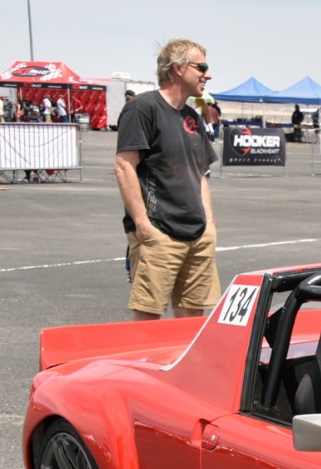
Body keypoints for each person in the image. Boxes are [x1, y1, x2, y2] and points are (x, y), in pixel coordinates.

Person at [114, 38, 219, 320]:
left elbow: (201, 173)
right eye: (202, 67)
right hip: (159, 232)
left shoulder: (192, 118)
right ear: (177, 68)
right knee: (149, 322)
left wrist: (209, 223)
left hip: (198, 234)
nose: (207, 74)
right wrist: (142, 224)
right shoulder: (142, 108)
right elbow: (124, 166)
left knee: (192, 321)